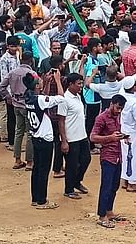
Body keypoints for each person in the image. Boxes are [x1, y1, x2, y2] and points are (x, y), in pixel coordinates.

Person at [25, 71, 65, 210]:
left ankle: (36, 198)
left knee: (37, 169)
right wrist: (58, 80)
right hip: (45, 139)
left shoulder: (29, 97)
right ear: (37, 86)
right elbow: (60, 98)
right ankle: (42, 200)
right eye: (39, 81)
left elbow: (43, 98)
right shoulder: (40, 100)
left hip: (36, 137)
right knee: (44, 170)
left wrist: (47, 82)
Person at [90, 94, 128, 229]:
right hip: (107, 156)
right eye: (118, 108)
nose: (119, 111)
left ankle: (109, 211)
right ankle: (101, 215)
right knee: (106, 186)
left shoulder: (117, 117)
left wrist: (123, 137)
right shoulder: (101, 118)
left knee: (114, 185)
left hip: (117, 155)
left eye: (121, 109)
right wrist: (111, 138)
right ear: (112, 104)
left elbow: (114, 134)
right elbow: (93, 137)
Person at [61, 73, 91, 200]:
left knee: (86, 159)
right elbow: (61, 121)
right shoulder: (64, 99)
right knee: (71, 164)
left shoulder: (78, 96)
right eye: (78, 83)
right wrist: (64, 141)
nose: (81, 86)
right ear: (70, 84)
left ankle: (77, 181)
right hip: (71, 137)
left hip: (82, 135)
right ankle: (69, 189)